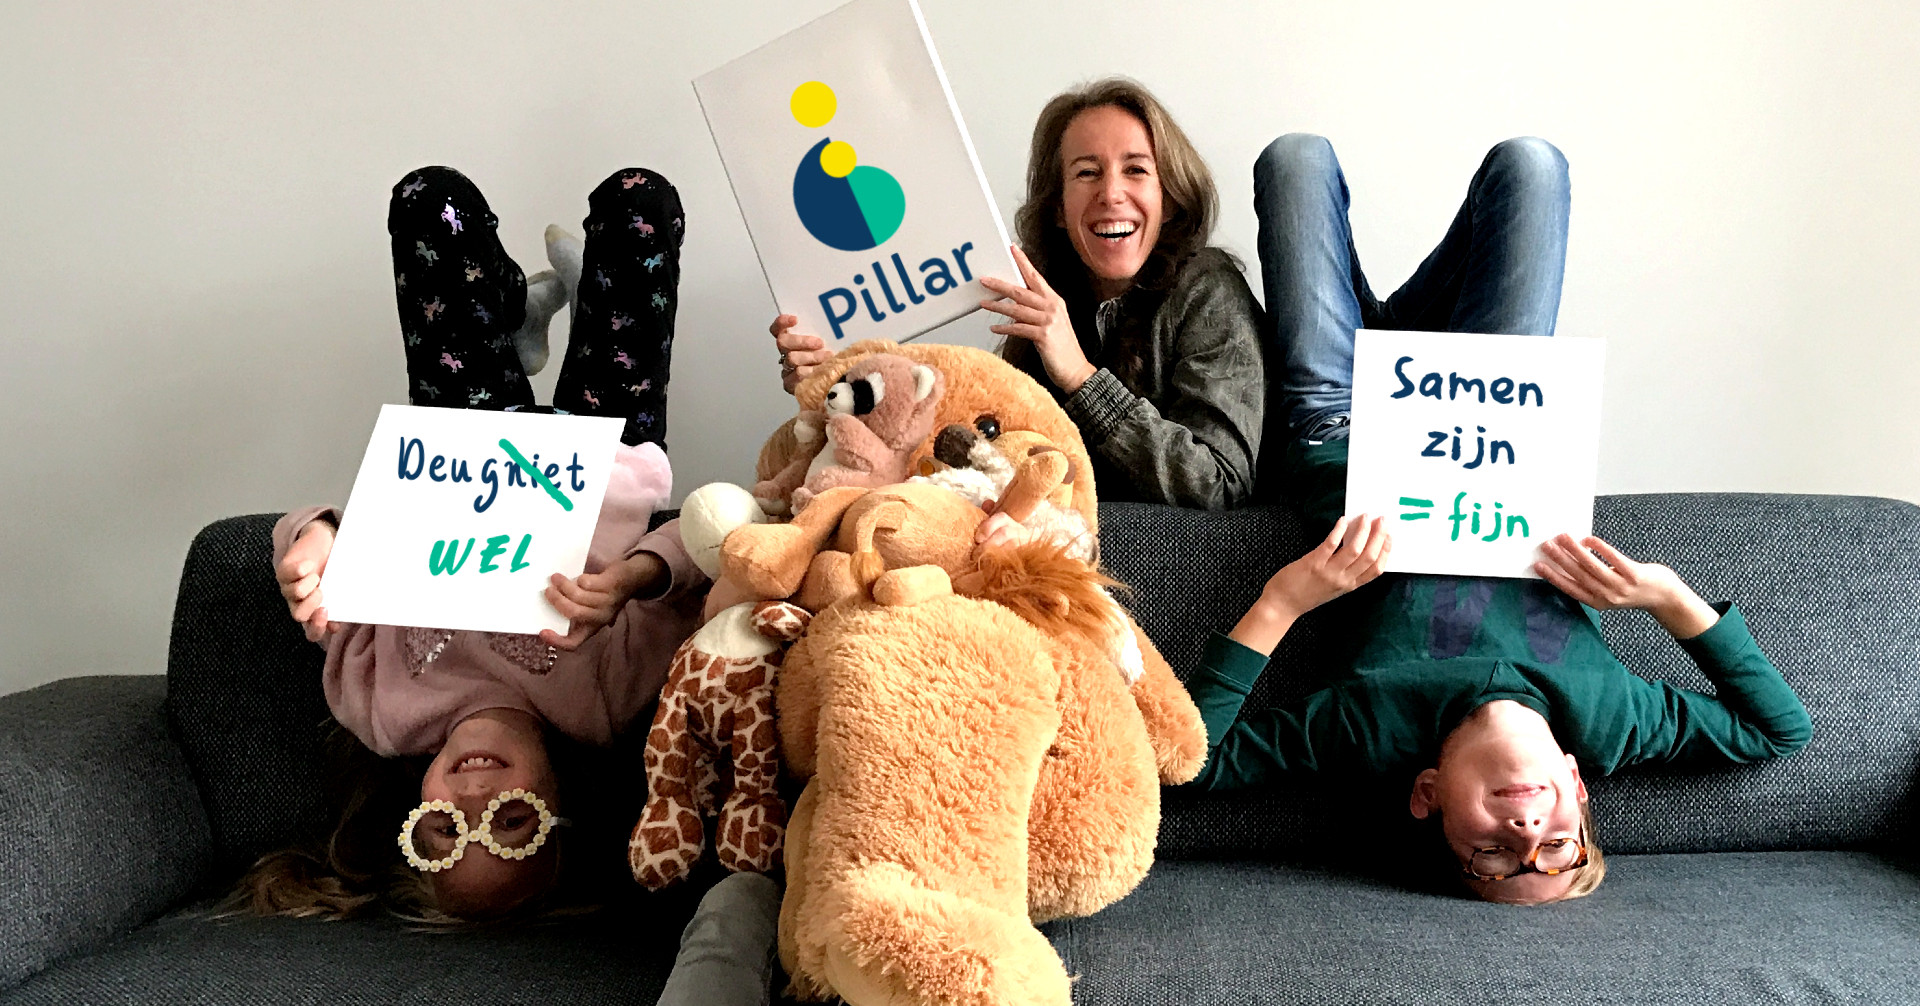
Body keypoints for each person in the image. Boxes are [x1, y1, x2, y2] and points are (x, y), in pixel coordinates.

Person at [1177, 135, 1813, 905]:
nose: (1526, 834)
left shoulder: (1370, 730)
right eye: (1559, 847)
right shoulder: (1611, 721)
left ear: (1428, 796)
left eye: (1492, 856)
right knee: (1531, 166)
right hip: (1486, 395)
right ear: (1576, 785)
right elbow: (1779, 729)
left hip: (1338, 419)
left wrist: (1282, 602)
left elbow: (1189, 765)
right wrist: (1667, 598)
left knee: (1295, 161)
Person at [773, 78, 1267, 510]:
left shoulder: (1208, 289)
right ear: (1057, 208)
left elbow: (1219, 484)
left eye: (1136, 170)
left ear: (1170, 197)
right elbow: (981, 442)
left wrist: (1079, 376)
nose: (1111, 193)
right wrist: (836, 380)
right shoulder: (1044, 296)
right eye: (1087, 172)